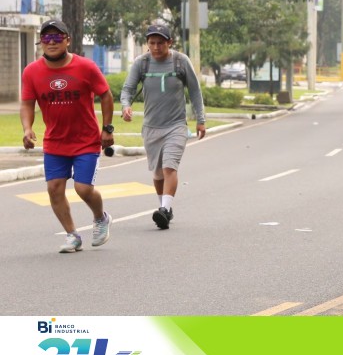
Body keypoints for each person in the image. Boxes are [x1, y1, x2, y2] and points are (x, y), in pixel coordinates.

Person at [20, 20, 114, 253]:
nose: (51, 42)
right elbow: (27, 103)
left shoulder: (86, 67)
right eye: (46, 38)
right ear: (41, 42)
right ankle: (72, 235)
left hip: (86, 140)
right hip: (55, 142)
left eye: (57, 37)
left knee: (83, 189)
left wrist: (107, 128)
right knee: (54, 188)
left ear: (67, 41)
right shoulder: (31, 72)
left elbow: (106, 95)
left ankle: (101, 218)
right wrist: (27, 128)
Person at [120, 24, 206, 230]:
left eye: (160, 43)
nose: (156, 47)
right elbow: (128, 89)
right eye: (152, 43)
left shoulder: (180, 62)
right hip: (151, 127)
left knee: (169, 167)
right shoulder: (142, 63)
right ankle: (164, 208)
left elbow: (195, 91)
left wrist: (201, 119)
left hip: (176, 125)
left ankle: (165, 209)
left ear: (169, 43)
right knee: (158, 174)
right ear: (147, 44)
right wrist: (125, 106)